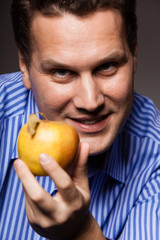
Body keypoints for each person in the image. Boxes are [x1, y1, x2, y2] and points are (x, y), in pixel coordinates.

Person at [0, 0, 160, 239]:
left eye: (107, 66)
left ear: (134, 55)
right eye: (62, 72)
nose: (90, 101)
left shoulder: (155, 153)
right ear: (25, 66)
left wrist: (82, 232)